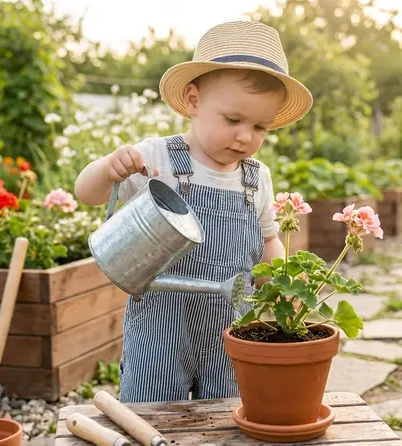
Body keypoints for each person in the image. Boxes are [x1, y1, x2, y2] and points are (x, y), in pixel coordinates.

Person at [73, 20, 313, 403]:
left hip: (232, 325)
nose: (245, 137)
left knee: (227, 413)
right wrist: (107, 168)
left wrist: (283, 280)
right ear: (193, 101)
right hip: (160, 324)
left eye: (260, 127)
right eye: (233, 120)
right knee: (152, 410)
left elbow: (268, 240)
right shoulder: (157, 158)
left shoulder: (256, 178)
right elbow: (86, 193)